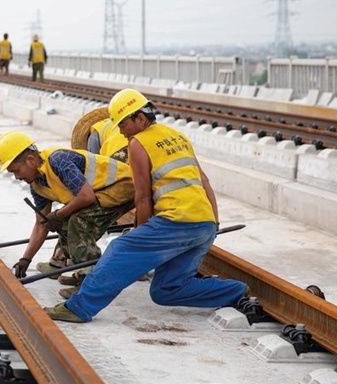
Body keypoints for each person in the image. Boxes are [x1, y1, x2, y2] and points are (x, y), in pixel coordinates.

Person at [44, 89, 248, 322]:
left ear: (140, 118)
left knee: (119, 250)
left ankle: (79, 308)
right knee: (166, 290)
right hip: (205, 223)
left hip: (177, 221)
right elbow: (205, 181)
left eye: (123, 124)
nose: (120, 130)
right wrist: (214, 223)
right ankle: (236, 291)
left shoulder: (138, 143)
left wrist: (140, 233)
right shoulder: (177, 136)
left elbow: (142, 196)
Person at [0, 131, 135, 298]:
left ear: (31, 161)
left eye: (16, 170)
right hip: (101, 192)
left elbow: (86, 197)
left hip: (123, 185)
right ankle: (60, 261)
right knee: (66, 216)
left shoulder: (57, 161)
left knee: (77, 220)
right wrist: (26, 259)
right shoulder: (37, 185)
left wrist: (59, 214)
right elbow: (41, 224)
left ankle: (91, 282)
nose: (17, 177)